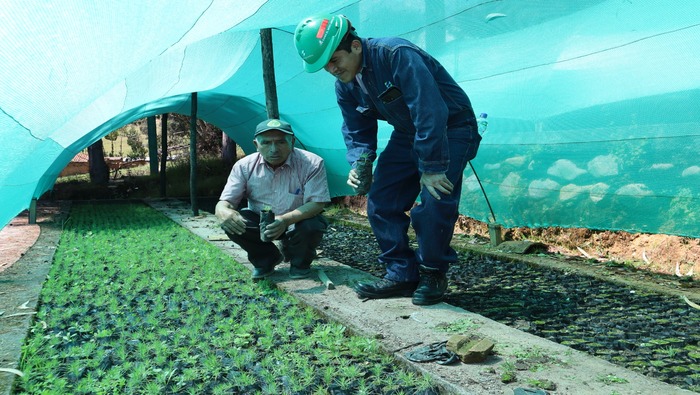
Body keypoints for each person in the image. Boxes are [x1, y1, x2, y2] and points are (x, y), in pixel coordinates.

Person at [294, 14, 481, 305]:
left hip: (451, 129)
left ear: (355, 46)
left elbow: (429, 110)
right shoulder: (345, 84)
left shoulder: (396, 55)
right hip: (409, 132)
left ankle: (433, 272)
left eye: (334, 60)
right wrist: (361, 163)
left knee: (433, 199)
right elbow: (357, 129)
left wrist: (431, 167)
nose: (331, 69)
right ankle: (402, 274)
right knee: (381, 201)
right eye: (325, 66)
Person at [215, 119, 331, 280]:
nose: (274, 149)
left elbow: (317, 203)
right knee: (233, 222)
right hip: (260, 222)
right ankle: (266, 259)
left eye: (281, 142)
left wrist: (284, 220)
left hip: (297, 220)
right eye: (267, 143)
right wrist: (222, 210)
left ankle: (300, 263)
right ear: (256, 145)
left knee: (312, 225)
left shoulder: (312, 163)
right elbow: (226, 201)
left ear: (292, 141)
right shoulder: (244, 166)